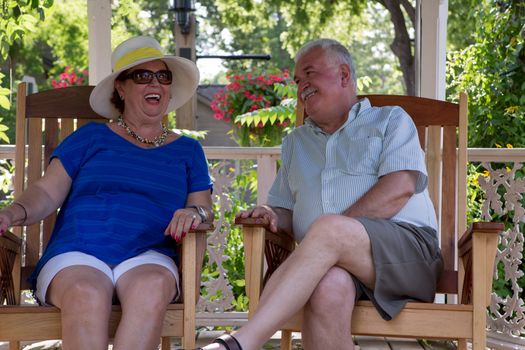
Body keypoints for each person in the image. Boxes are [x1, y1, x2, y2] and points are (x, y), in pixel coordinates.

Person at [199, 38, 443, 350]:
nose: (302, 86)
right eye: (298, 81)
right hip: (336, 266)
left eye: (310, 74)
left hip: (407, 256)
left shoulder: (390, 119)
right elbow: (285, 210)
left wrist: (331, 236)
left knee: (329, 230)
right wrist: (272, 214)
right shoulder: (295, 143)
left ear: (344, 75)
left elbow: (401, 188)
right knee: (327, 288)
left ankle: (241, 343)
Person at [0, 36, 213, 350]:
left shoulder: (188, 150)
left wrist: (193, 213)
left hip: (149, 255)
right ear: (121, 88)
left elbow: (204, 209)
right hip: (78, 253)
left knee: (151, 288)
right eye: (142, 76)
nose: (155, 82)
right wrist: (11, 213)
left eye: (162, 76)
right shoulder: (90, 138)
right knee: (87, 292)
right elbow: (46, 192)